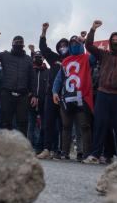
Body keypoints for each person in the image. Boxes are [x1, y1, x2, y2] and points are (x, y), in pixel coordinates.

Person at [83, 20, 117, 164]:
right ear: (110, 42)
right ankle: (95, 154)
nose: (115, 42)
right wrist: (93, 29)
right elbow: (88, 45)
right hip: (102, 93)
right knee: (99, 125)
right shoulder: (103, 54)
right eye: (113, 40)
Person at [52, 36, 95, 161]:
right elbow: (59, 78)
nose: (74, 44)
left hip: (82, 97)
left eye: (77, 42)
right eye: (72, 42)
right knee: (66, 126)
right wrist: (55, 92)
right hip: (67, 98)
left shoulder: (87, 58)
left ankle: (86, 154)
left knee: (84, 126)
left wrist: (86, 42)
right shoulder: (65, 61)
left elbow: (95, 54)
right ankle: (64, 152)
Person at [0, 31, 36, 136]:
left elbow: (32, 78)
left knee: (23, 122)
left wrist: (34, 95)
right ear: (12, 44)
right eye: (16, 42)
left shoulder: (28, 59)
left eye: (20, 43)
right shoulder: (5, 55)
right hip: (7, 93)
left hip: (23, 95)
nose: (18, 44)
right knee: (6, 122)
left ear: (23, 45)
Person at [36, 22, 68, 159]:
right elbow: (43, 48)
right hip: (51, 94)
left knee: (64, 124)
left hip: (67, 95)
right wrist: (43, 31)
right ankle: (47, 149)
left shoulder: (73, 59)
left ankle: (61, 151)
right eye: (60, 46)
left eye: (65, 45)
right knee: (48, 122)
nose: (62, 48)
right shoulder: (54, 57)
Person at [29, 50, 50, 153]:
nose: (38, 58)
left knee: (43, 125)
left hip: (43, 102)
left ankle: (40, 147)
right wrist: (32, 95)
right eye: (36, 56)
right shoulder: (30, 70)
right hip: (31, 101)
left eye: (40, 57)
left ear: (43, 58)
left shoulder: (47, 71)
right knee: (31, 125)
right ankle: (29, 147)